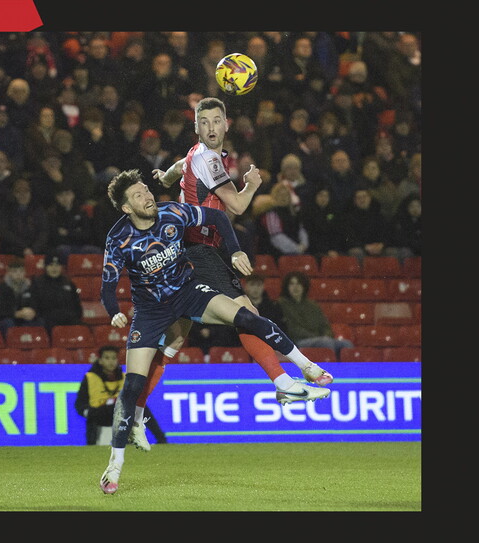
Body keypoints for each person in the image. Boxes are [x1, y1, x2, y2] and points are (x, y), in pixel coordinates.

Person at [98, 169, 331, 494]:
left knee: (248, 317)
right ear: (126, 208)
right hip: (151, 311)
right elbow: (108, 289)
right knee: (131, 385)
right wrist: (115, 313)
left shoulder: (172, 211)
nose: (148, 196)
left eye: (146, 191)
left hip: (188, 291)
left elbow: (218, 219)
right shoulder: (118, 238)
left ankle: (306, 367)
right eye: (138, 195)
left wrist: (235, 249)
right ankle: (114, 466)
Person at [149, 97, 333, 418]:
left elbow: (182, 166)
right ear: (196, 127)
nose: (210, 128)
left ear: (226, 124)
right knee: (246, 314)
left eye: (216, 121)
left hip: (191, 252)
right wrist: (251, 186)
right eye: (203, 122)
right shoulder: (210, 160)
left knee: (175, 339)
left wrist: (166, 177)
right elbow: (235, 206)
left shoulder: (197, 155)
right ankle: (289, 378)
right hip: (198, 253)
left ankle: (132, 408)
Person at [75, 346, 167, 446]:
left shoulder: (125, 378)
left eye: (114, 358)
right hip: (99, 416)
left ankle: (160, 438)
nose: (111, 362)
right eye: (107, 358)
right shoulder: (90, 377)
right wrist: (89, 412)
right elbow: (80, 403)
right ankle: (160, 438)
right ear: (100, 360)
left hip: (121, 419)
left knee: (139, 406)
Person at [277, 270, 354, 360]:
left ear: (304, 286)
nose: (295, 287)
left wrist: (326, 335)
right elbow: (291, 329)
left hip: (319, 338)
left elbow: (325, 325)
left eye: (298, 284)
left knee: (347, 344)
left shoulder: (313, 305)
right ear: (287, 287)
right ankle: (330, 369)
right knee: (326, 343)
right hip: (297, 341)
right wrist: (318, 337)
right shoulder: (281, 304)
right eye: (292, 284)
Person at [0, 257, 44, 339]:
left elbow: (36, 305)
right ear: (9, 272)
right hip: (1, 320)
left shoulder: (30, 287)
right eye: (15, 271)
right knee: (8, 323)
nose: (18, 274)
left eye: (21, 271)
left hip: (21, 320)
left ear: (25, 272)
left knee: (39, 322)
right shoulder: (1, 287)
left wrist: (33, 312)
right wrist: (17, 314)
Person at [32, 253, 84, 333]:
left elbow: (77, 305)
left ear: (61, 267)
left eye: (57, 265)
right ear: (45, 267)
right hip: (47, 321)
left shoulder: (68, 283)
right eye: (51, 265)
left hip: (69, 319)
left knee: (84, 330)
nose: (54, 268)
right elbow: (35, 305)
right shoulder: (37, 283)